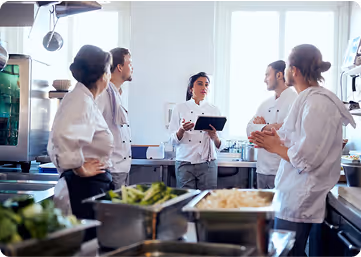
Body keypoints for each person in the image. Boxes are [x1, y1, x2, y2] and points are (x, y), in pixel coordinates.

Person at [248, 44, 356, 257]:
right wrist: (274, 139)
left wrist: (275, 147)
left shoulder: (317, 104)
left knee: (290, 253)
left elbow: (307, 158)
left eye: (287, 66)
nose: (286, 70)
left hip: (301, 197)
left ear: (294, 70)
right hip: (291, 194)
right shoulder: (305, 99)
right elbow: (294, 140)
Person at [47, 45, 114, 240]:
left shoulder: (84, 98)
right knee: (82, 249)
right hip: (81, 188)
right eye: (109, 71)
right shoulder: (80, 100)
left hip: (89, 187)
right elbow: (62, 136)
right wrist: (79, 168)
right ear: (103, 76)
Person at [168, 72, 225, 190]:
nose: (204, 87)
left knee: (207, 201)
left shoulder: (214, 110)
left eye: (206, 85)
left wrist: (214, 136)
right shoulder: (179, 108)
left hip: (208, 163)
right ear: (191, 88)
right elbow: (171, 140)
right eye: (200, 84)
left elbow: (222, 144)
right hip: (185, 162)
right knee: (186, 199)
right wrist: (181, 130)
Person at [246, 60, 297, 189]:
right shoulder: (265, 104)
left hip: (283, 169)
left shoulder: (295, 100)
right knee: (262, 208)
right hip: (262, 169)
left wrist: (262, 129)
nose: (264, 79)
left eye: (267, 74)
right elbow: (249, 129)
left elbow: (289, 131)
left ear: (279, 75)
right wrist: (269, 127)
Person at [96, 47, 133, 189]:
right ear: (119, 67)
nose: (132, 67)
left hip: (121, 169)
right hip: (112, 169)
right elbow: (92, 127)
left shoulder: (116, 93)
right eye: (129, 63)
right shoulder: (104, 93)